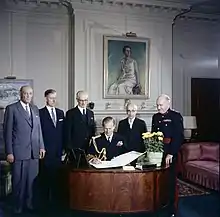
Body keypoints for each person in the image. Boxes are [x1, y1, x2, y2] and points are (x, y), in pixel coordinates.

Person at [3, 85, 45, 214]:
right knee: (18, 182)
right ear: (20, 94)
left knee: (32, 181)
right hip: (18, 152)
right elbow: (7, 132)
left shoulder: (35, 109)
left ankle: (29, 204)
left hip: (34, 152)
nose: (28, 96)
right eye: (25, 93)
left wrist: (42, 146)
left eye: (30, 94)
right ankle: (18, 206)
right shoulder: (12, 109)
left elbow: (38, 130)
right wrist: (9, 152)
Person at [151, 94, 184, 217]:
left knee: (171, 182)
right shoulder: (155, 117)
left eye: (161, 105)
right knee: (158, 180)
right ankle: (160, 203)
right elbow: (153, 135)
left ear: (168, 103)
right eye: (157, 105)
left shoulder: (175, 117)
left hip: (171, 153)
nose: (158, 107)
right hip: (158, 153)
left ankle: (172, 209)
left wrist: (171, 153)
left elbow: (178, 137)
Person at [39, 89, 65, 210]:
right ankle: (45, 205)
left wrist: (64, 148)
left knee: (57, 178)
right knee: (45, 178)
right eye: (51, 98)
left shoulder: (60, 113)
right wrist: (41, 147)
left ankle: (56, 204)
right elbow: (38, 134)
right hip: (45, 151)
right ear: (46, 99)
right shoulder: (40, 113)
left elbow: (63, 132)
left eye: (55, 97)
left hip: (58, 152)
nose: (53, 100)